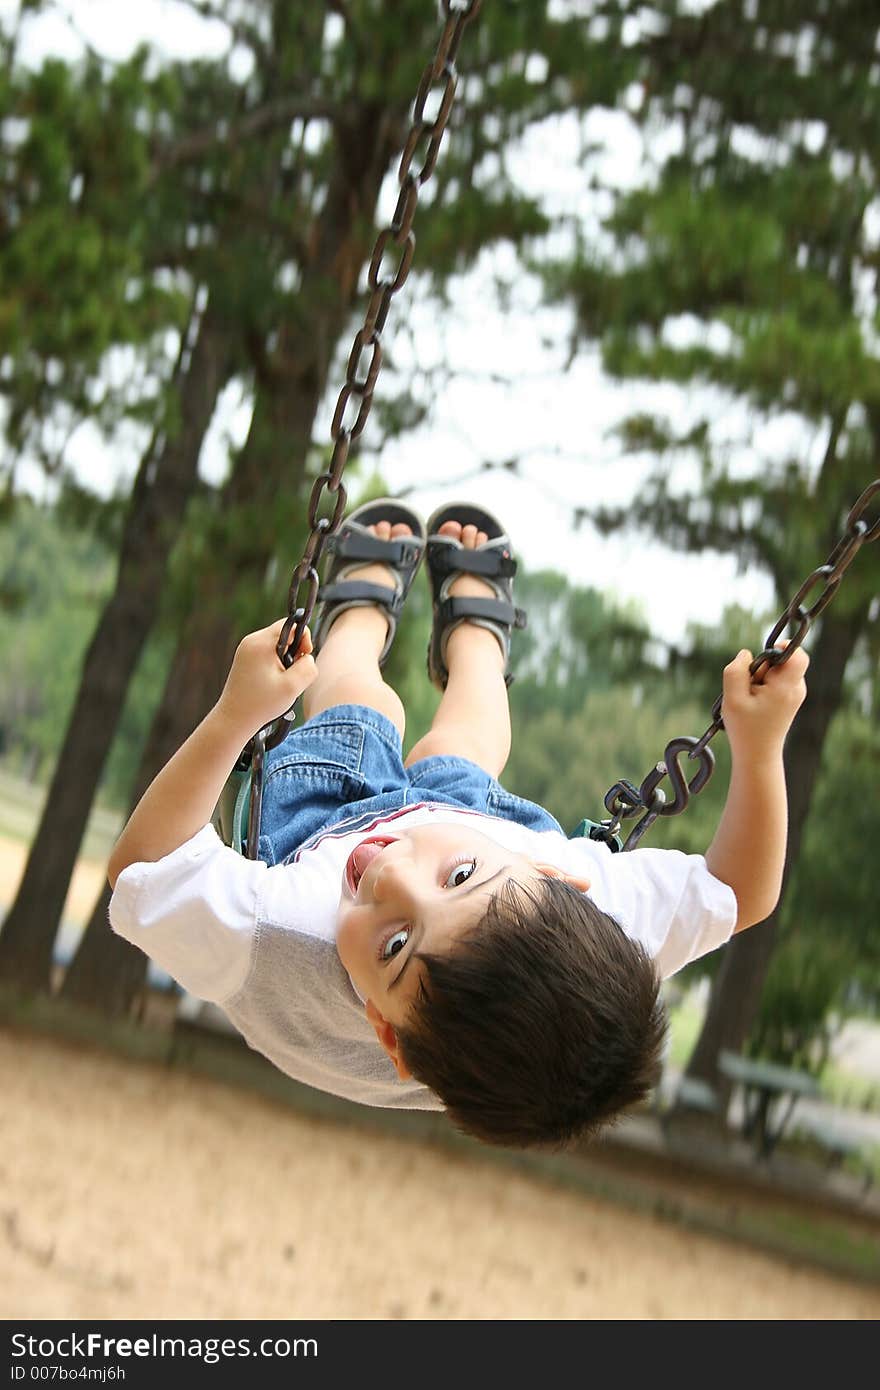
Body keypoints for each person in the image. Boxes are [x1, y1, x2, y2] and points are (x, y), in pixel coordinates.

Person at [108, 497, 809, 1149]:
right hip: (480, 829)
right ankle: (478, 641)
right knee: (461, 749)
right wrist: (760, 747)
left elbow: (146, 868)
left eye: (395, 945)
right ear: (563, 875)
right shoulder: (609, 923)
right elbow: (741, 892)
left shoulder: (284, 931)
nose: (390, 875)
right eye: (456, 879)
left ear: (386, 1031)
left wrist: (237, 715)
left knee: (360, 705)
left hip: (321, 834)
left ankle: (359, 612)